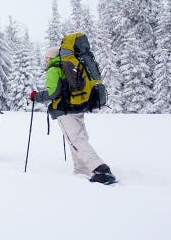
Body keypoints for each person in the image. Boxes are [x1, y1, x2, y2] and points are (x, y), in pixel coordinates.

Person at [30, 46, 116, 184]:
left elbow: (53, 92)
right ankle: (81, 170)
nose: (45, 59)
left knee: (77, 141)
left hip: (65, 111)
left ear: (52, 57)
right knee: (78, 139)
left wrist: (36, 96)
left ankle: (100, 169)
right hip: (77, 107)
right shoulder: (69, 65)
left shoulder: (54, 69)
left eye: (47, 57)